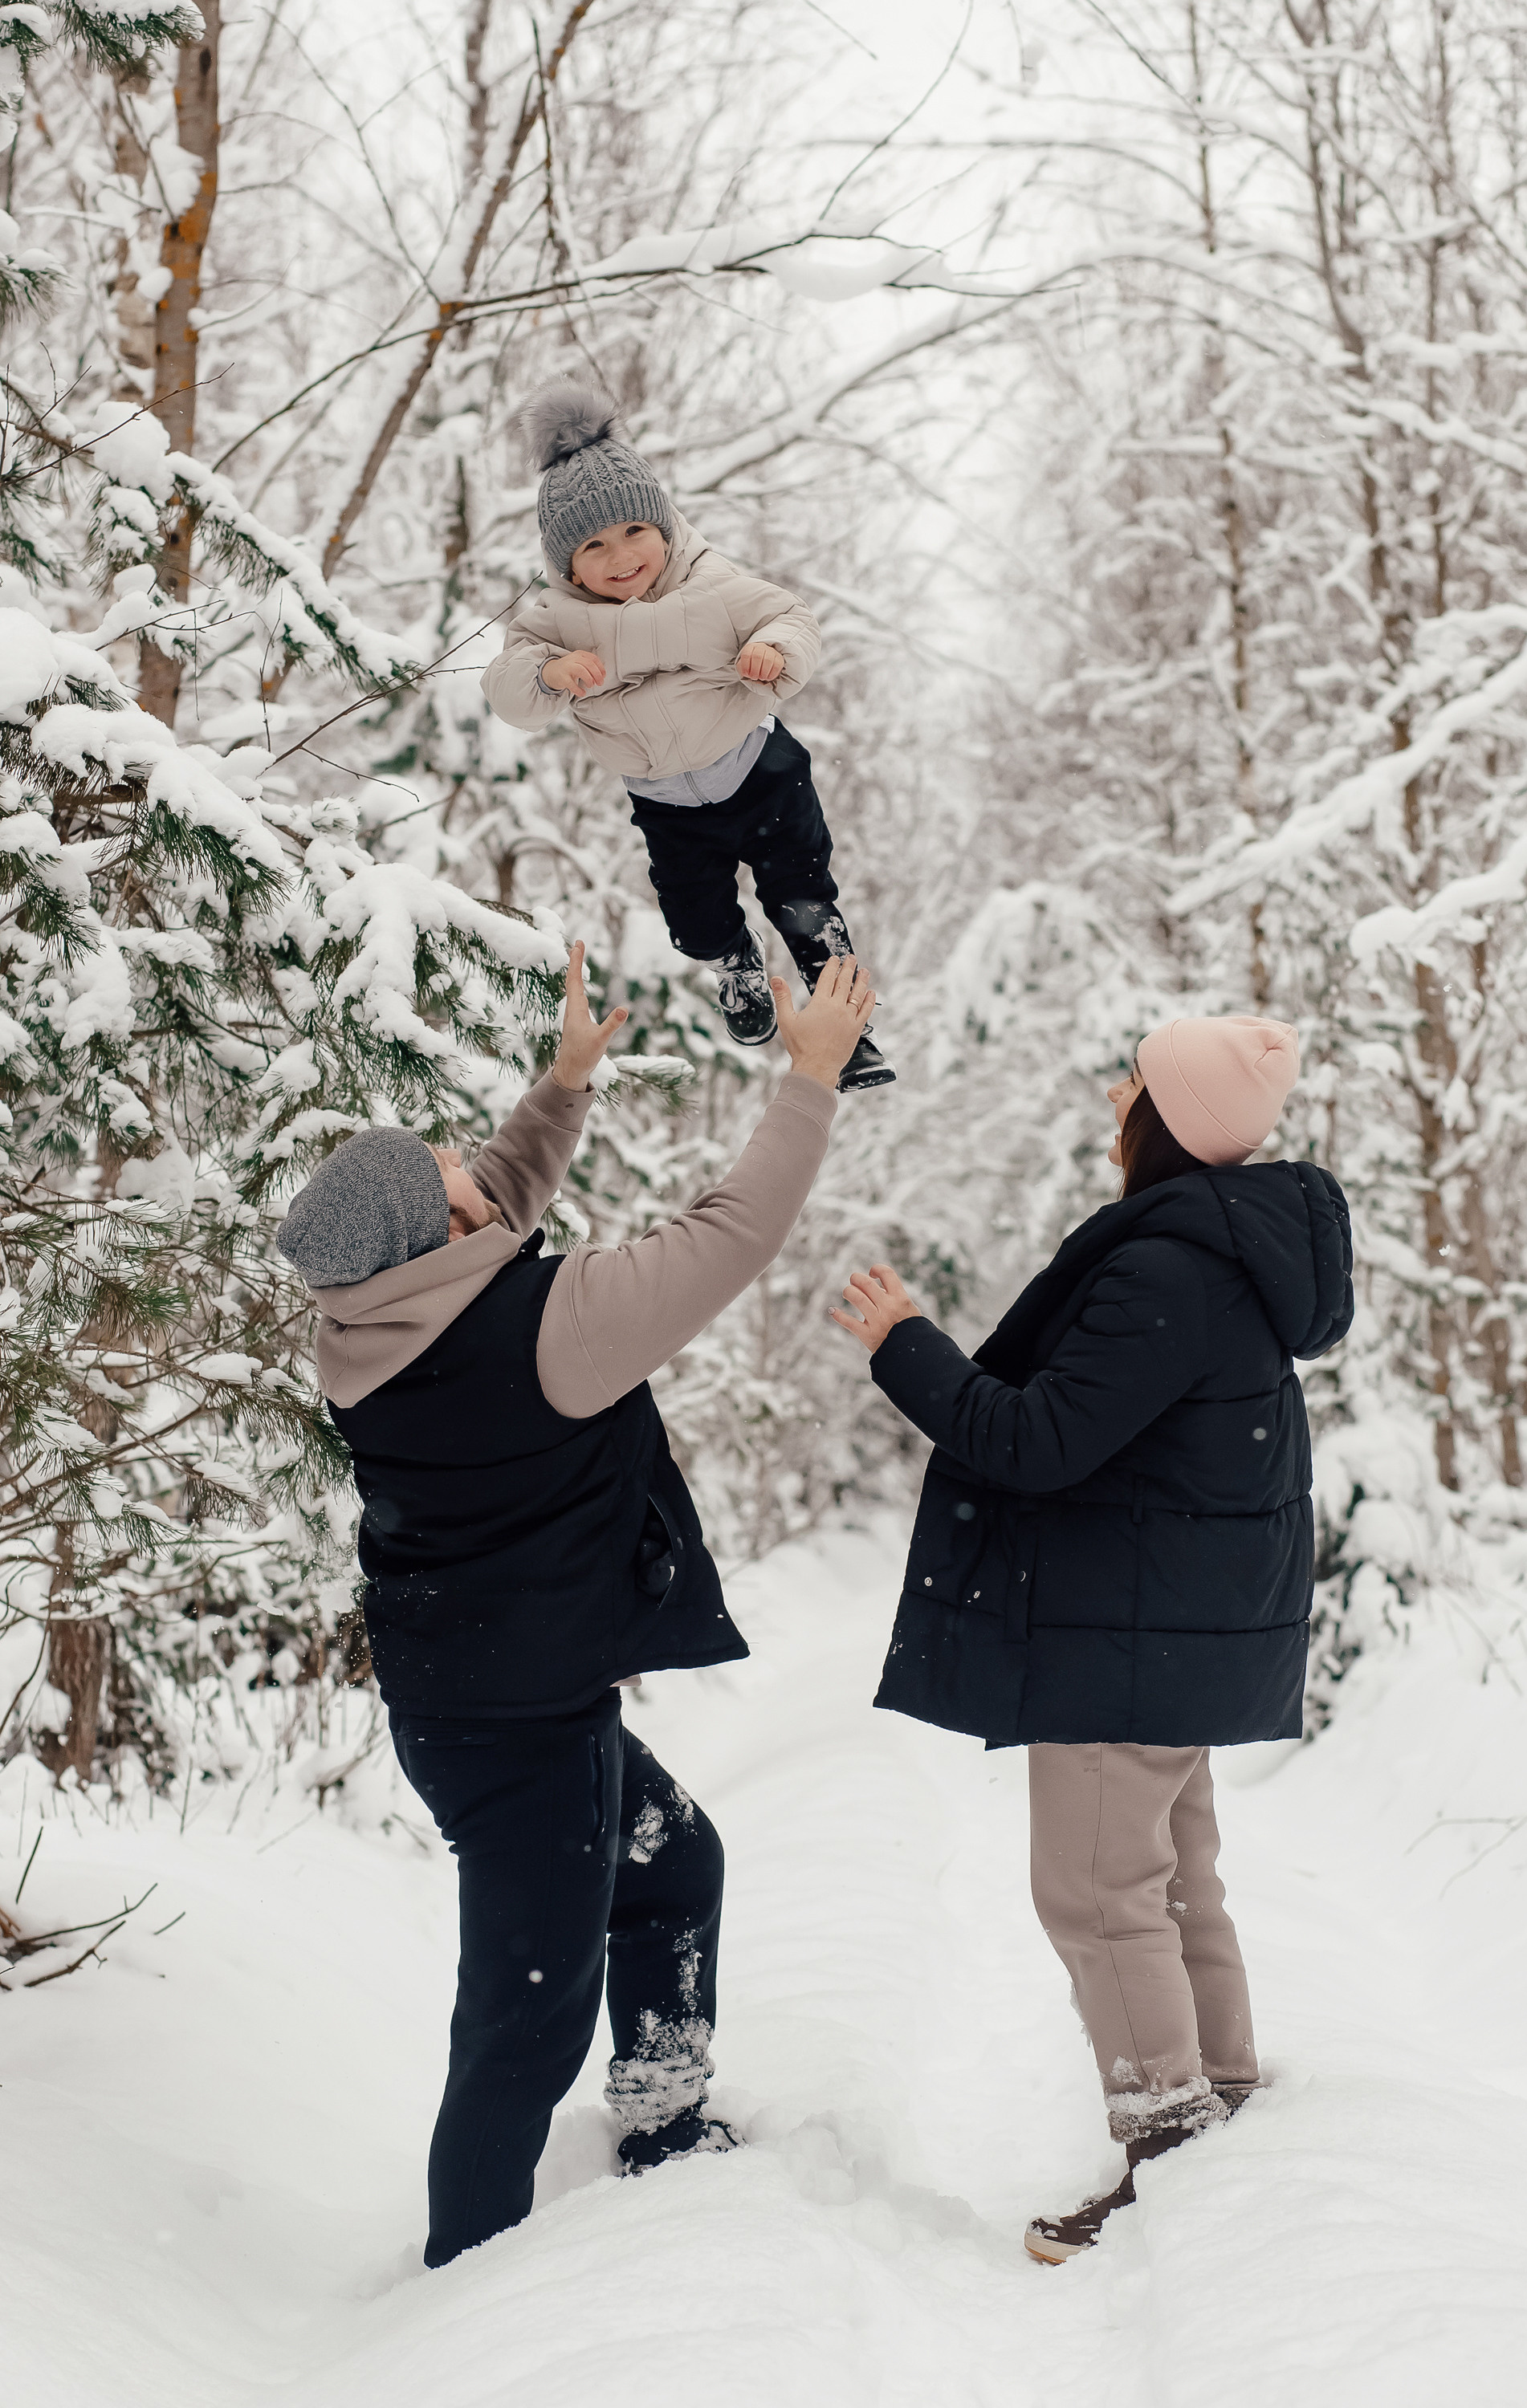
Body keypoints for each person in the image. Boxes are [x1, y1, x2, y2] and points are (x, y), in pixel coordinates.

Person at [277, 941, 876, 2267]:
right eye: (441, 1171)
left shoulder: (366, 1329)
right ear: (433, 1233)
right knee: (521, 2022)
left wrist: (563, 1085)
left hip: (482, 1701)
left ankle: (663, 2128)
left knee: (675, 1864)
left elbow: (494, 1196)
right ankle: (467, 2292)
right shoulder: (549, 1333)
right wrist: (811, 1080)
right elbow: (731, 1236)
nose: (467, 1167)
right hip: (522, 1732)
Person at [830, 1015, 1352, 2263]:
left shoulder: (1170, 1267)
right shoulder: (1232, 1251)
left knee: (1095, 1890)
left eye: (1134, 1079)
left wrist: (904, 1346)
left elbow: (1037, 1440)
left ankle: (1171, 2148)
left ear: (1162, 1117)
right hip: (1174, 1623)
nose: (1115, 1091)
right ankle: (1217, 2099)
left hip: (1132, 1635)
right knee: (1173, 1880)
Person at [479, 376, 894, 1092]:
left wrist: (775, 653)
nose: (620, 557)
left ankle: (847, 1032)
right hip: (668, 806)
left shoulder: (710, 584)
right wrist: (549, 673)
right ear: (564, 563)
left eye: (636, 531)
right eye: (594, 546)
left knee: (806, 907)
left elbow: (791, 617)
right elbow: (506, 691)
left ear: (664, 527)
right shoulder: (552, 621)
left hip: (760, 771)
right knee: (696, 925)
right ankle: (736, 962)